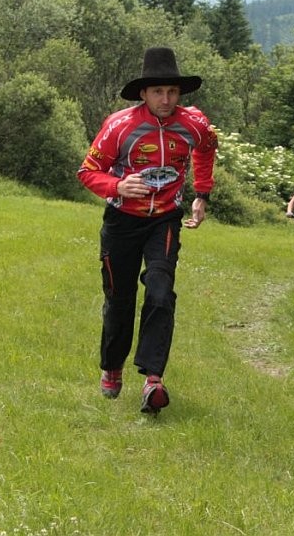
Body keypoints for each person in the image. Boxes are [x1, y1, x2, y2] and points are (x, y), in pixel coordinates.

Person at [77, 47, 218, 414]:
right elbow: (87, 172)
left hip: (164, 220)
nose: (166, 99)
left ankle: (153, 379)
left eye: (172, 92)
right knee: (119, 299)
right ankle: (112, 366)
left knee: (160, 290)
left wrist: (202, 194)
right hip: (122, 221)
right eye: (158, 92)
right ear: (143, 93)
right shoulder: (119, 125)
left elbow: (206, 150)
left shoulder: (195, 124)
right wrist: (117, 186)